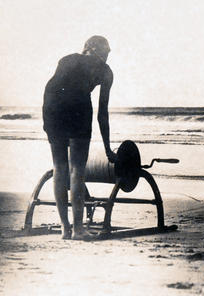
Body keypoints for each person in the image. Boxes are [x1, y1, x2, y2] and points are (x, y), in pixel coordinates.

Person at [42, 36, 117, 240]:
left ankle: (66, 229)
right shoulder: (104, 71)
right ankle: (76, 229)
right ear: (90, 49)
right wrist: (108, 149)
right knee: (76, 170)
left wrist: (108, 148)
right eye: (106, 52)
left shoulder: (68, 60)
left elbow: (54, 89)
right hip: (72, 107)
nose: (107, 56)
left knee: (61, 167)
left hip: (52, 107)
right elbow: (102, 113)